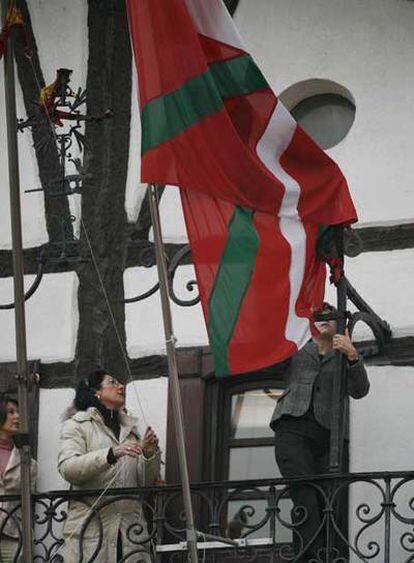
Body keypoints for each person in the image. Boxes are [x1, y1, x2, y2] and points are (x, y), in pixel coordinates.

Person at [269, 302, 370, 562]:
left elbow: (360, 390)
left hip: (330, 435)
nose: (324, 320)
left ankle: (326, 554)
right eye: (319, 317)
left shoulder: (344, 352)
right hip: (293, 427)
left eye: (330, 317)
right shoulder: (297, 344)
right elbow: (270, 360)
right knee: (305, 495)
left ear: (340, 324)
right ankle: (311, 557)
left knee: (329, 503)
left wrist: (352, 356)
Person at [57, 370, 161, 562]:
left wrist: (148, 454)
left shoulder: (131, 430)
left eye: (120, 383)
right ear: (96, 391)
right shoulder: (77, 425)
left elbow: (145, 484)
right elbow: (68, 468)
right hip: (91, 536)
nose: (121, 386)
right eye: (112, 382)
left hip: (131, 534)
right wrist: (110, 454)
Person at [0, 394, 37, 563]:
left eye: (18, 412)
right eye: (10, 412)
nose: (17, 416)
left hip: (14, 533)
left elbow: (30, 489)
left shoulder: (26, 459)